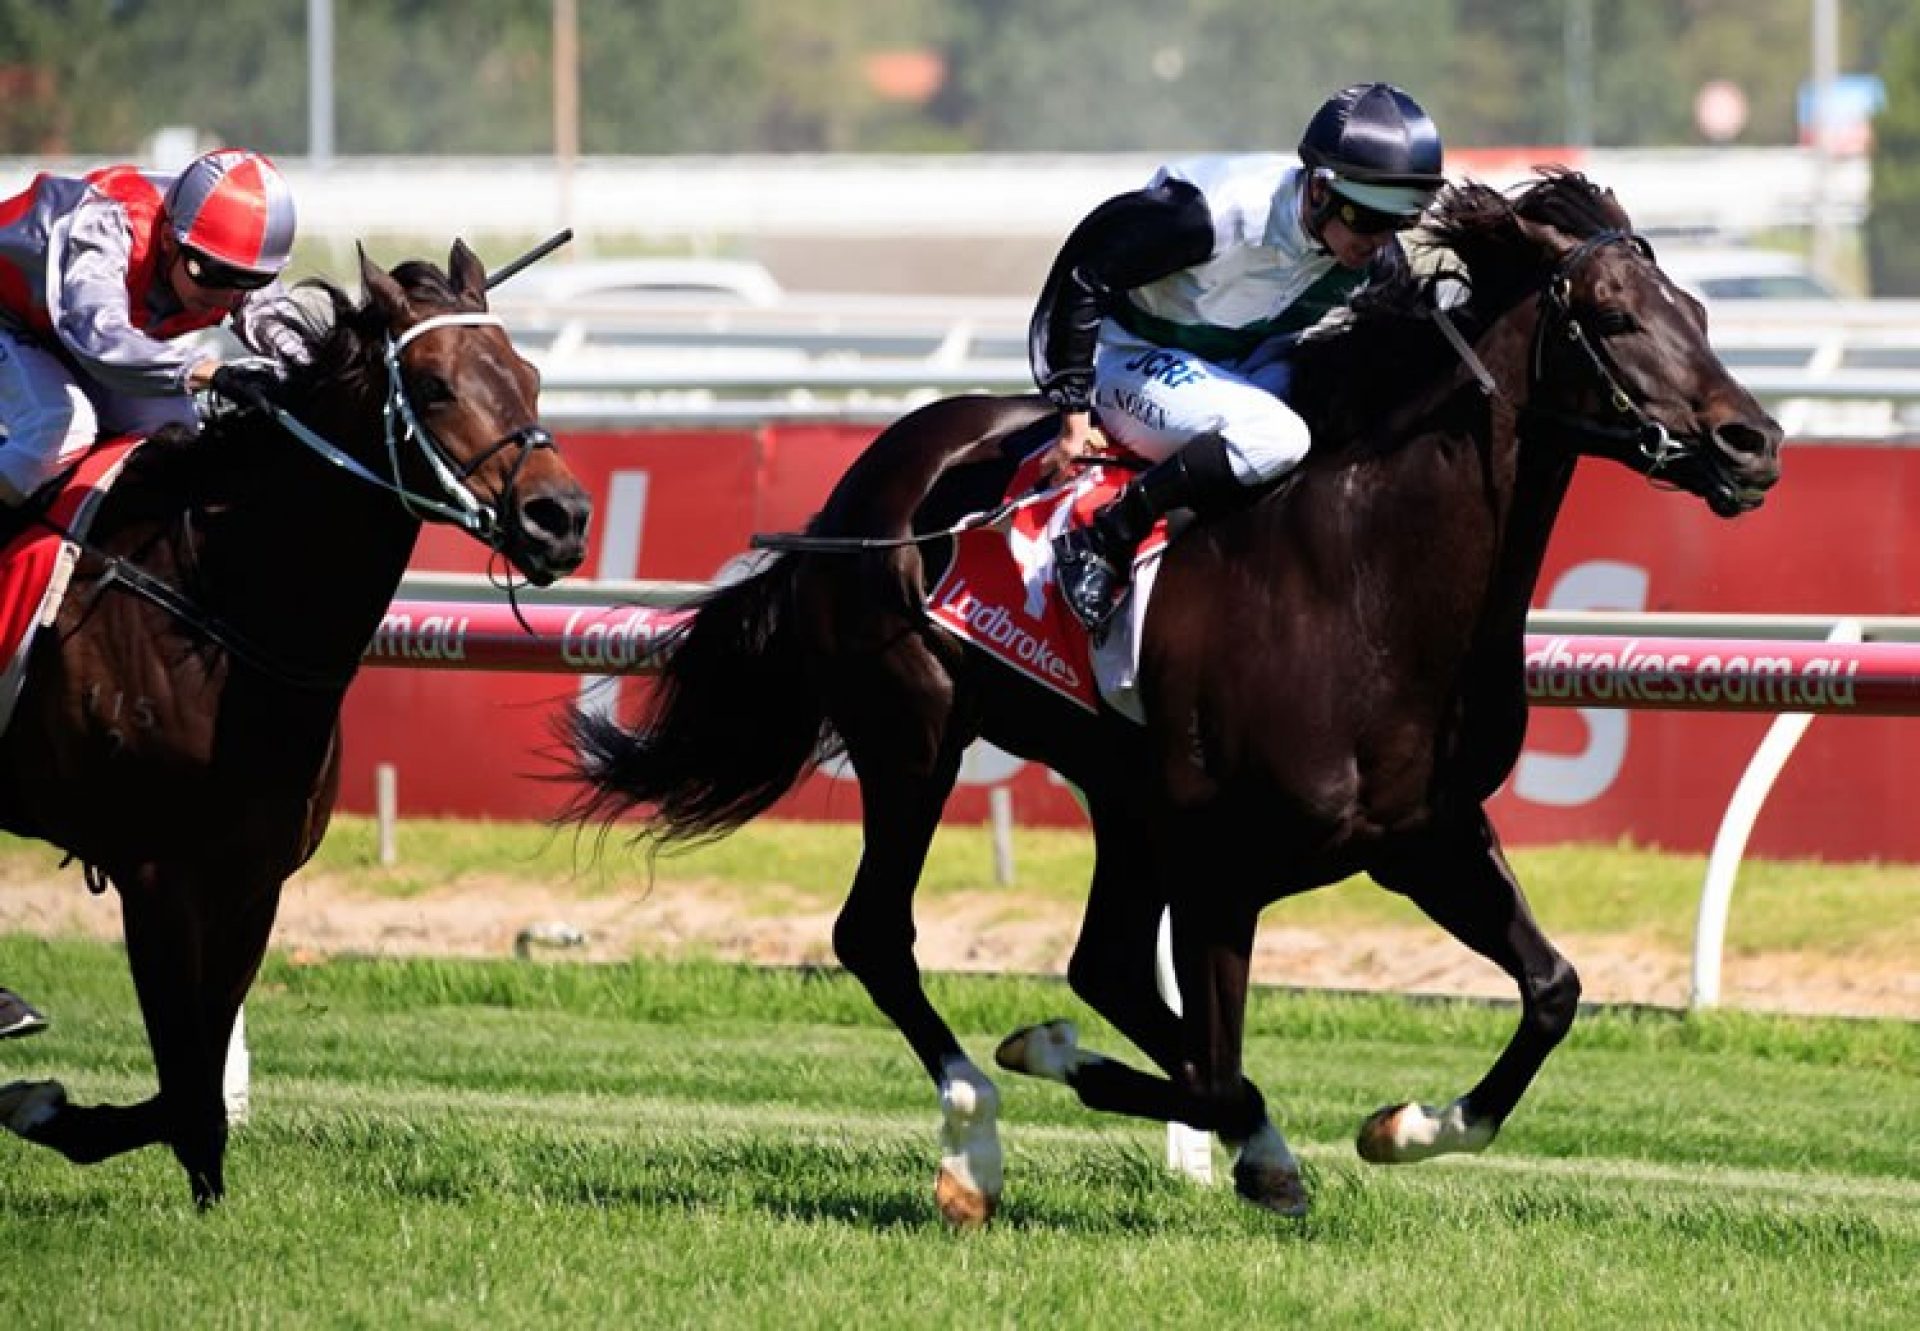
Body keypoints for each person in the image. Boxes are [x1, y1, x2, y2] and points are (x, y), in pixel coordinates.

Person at [1029, 82, 1446, 632]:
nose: (1378, 239)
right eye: (1368, 218)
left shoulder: (1372, 253)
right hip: (1135, 360)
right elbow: (1085, 276)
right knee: (1278, 439)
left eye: (1398, 221)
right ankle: (1105, 539)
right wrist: (1072, 419)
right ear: (1319, 191)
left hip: (1232, 368)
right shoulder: (1208, 213)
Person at [0, 147, 301, 507]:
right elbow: (99, 339)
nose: (225, 297)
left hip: (61, 332)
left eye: (246, 282)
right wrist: (213, 374)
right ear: (168, 241)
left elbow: (286, 333)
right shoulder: (105, 225)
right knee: (58, 427)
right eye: (212, 275)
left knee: (175, 427)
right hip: (18, 319)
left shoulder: (226, 256)